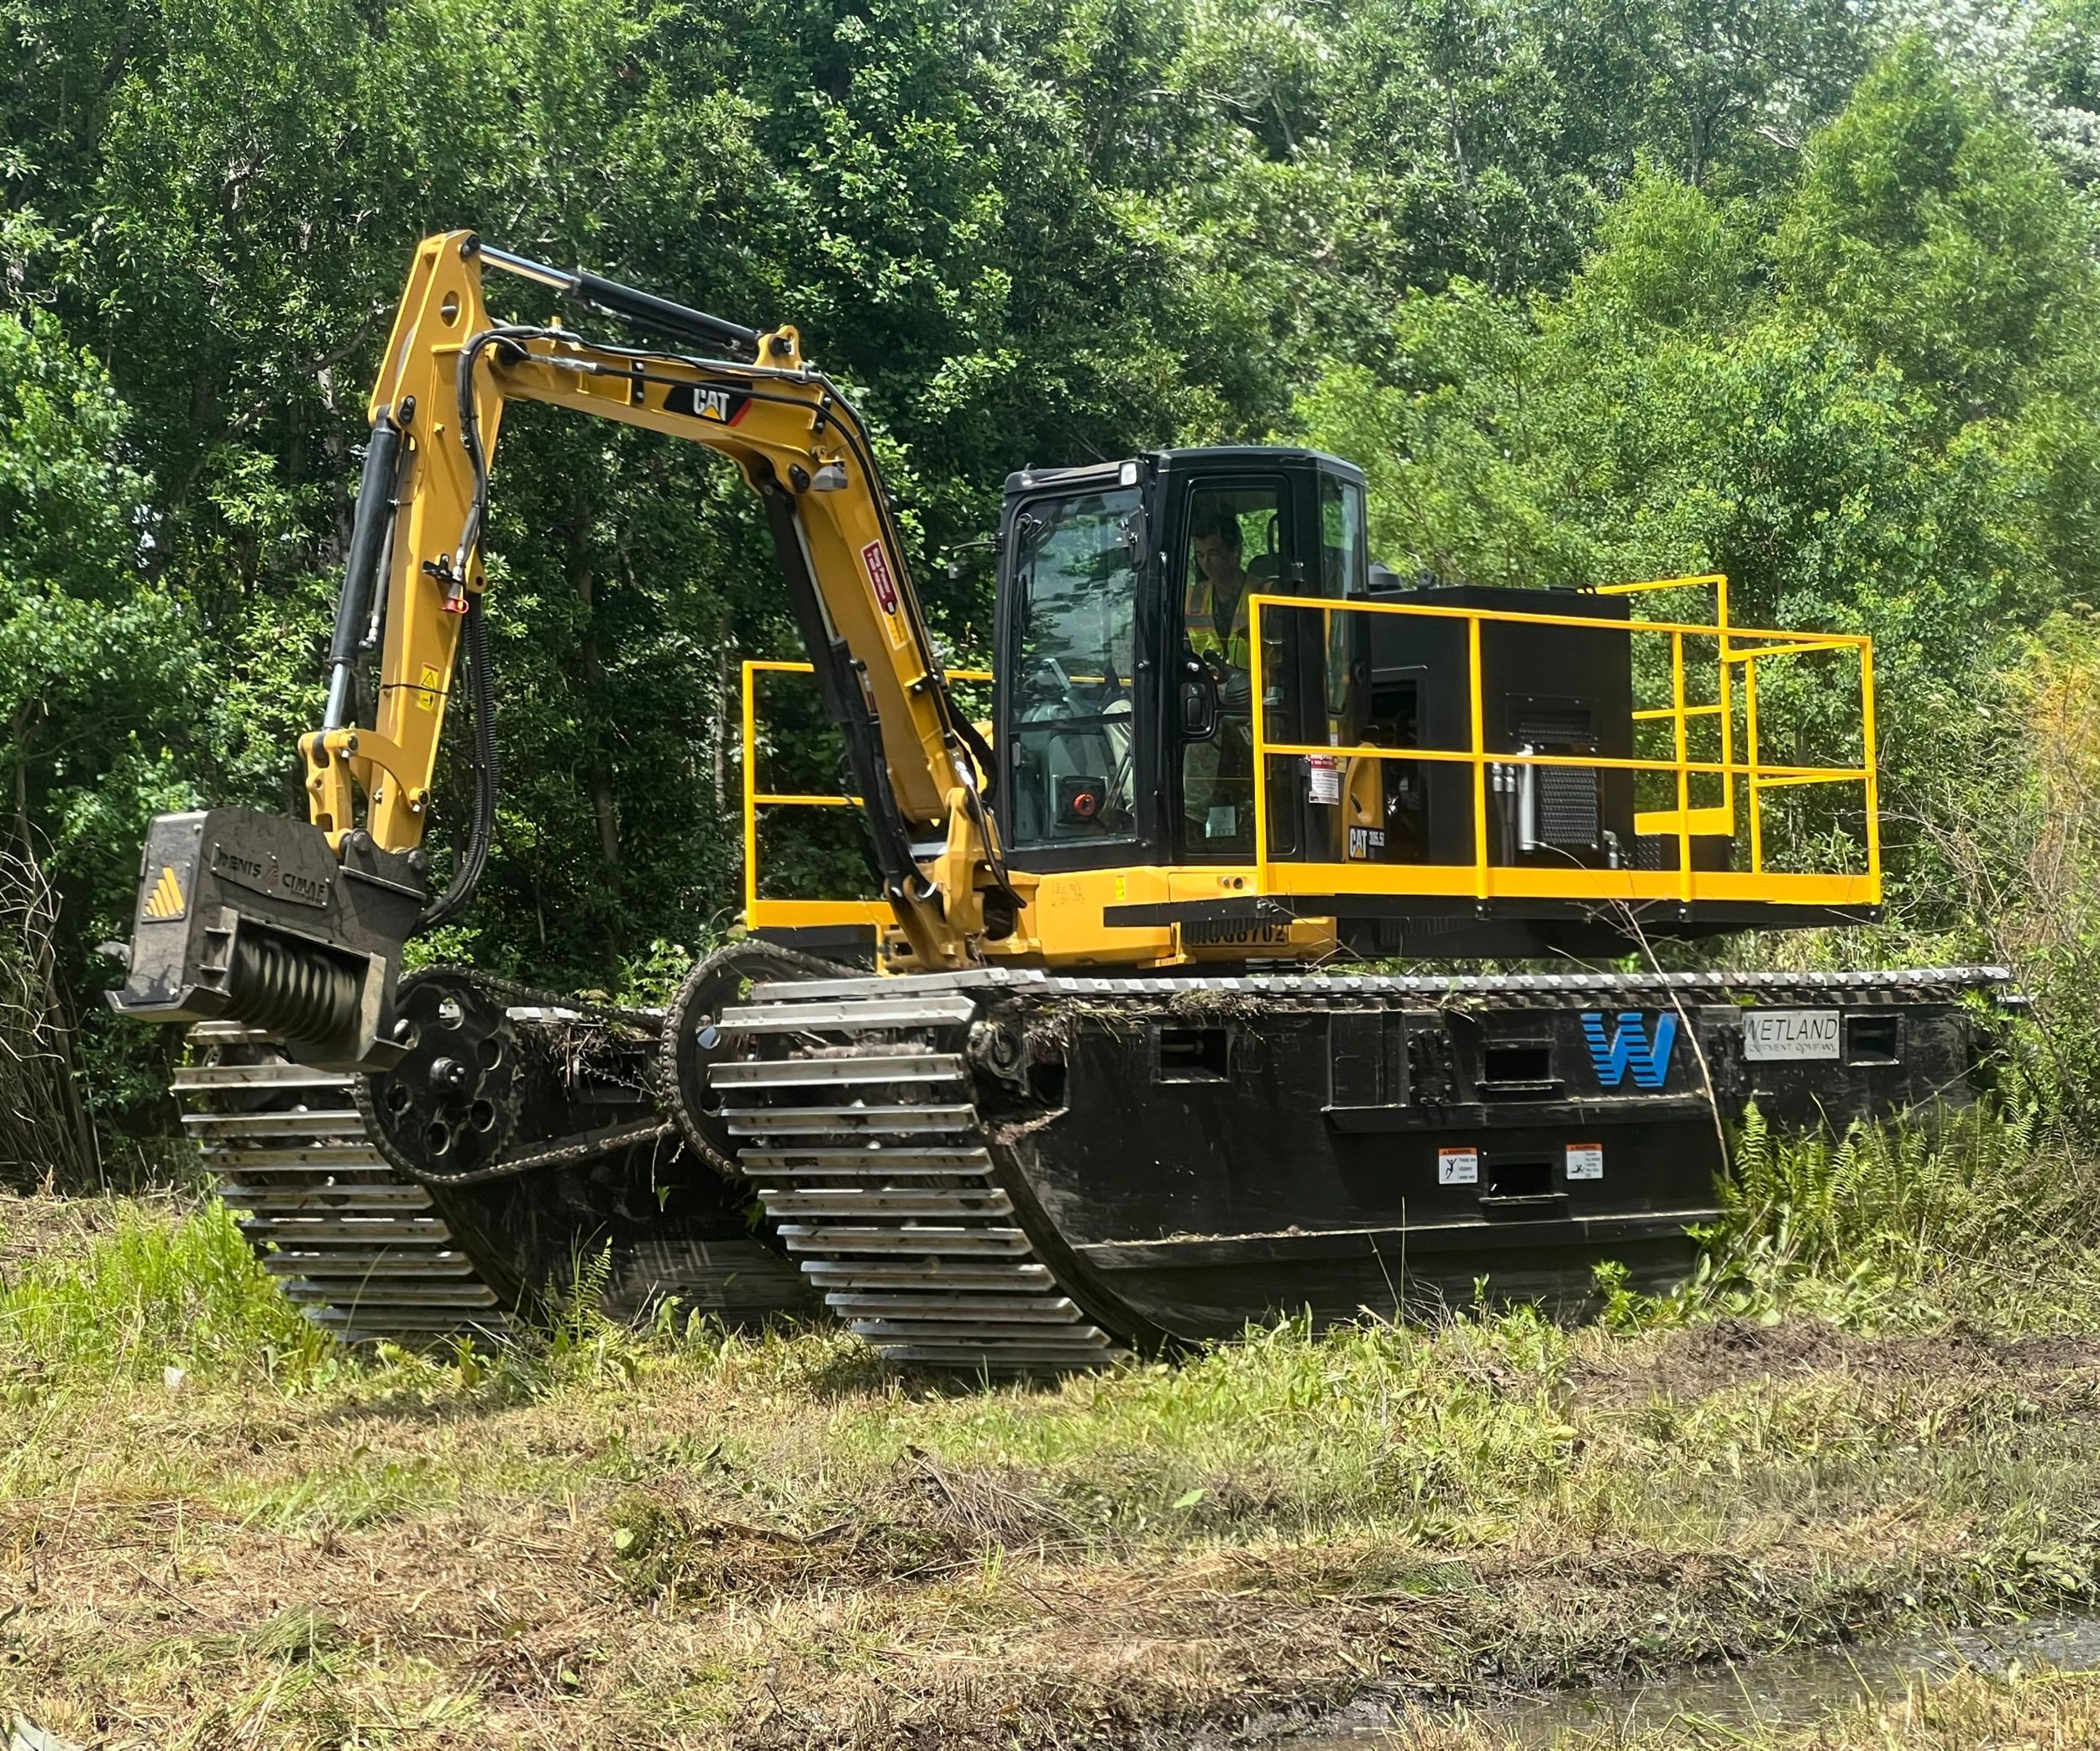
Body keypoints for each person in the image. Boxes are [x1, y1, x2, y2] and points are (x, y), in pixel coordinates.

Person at [1183, 502, 1258, 847]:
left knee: (1203, 728)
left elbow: (1289, 659)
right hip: (1209, 692)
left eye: (1214, 553)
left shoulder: (1265, 594)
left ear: (1236, 551)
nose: (1207, 564)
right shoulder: (1191, 599)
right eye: (1200, 555)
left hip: (1257, 699)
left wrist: (1254, 681)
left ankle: (1191, 820)